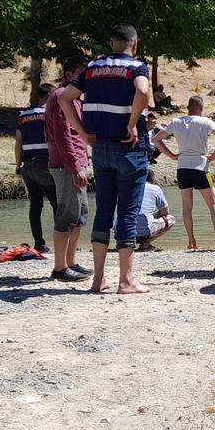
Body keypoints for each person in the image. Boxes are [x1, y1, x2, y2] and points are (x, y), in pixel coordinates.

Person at [59, 26, 151, 295]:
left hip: (100, 148)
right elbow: (143, 93)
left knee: (103, 212)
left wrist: (83, 132)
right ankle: (126, 280)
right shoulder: (136, 66)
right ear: (134, 44)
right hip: (129, 149)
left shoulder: (92, 67)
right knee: (127, 215)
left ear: (112, 43)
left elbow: (66, 98)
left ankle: (98, 280)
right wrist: (132, 123)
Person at [153, 95, 215, 250]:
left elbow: (156, 140)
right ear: (201, 109)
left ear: (188, 108)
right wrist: (212, 157)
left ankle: (191, 241)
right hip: (200, 167)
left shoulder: (176, 122)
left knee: (187, 207)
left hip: (183, 168)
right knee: (213, 204)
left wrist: (172, 155)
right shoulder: (205, 121)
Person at [45, 56, 92, 283]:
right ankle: (60, 267)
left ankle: (70, 262)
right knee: (66, 215)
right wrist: (74, 167)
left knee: (79, 215)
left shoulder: (76, 100)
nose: (86, 79)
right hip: (66, 166)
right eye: (81, 74)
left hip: (76, 163)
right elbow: (62, 135)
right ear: (68, 75)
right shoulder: (60, 97)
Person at [15, 84, 57, 253]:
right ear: (50, 96)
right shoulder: (51, 114)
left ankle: (39, 243)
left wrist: (18, 166)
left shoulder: (22, 116)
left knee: (35, 205)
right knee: (57, 205)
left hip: (28, 166)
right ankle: (61, 243)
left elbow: (18, 143)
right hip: (47, 164)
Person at [136, 170, 175, 249]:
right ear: (153, 179)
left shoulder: (128, 187)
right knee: (171, 219)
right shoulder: (155, 188)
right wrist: (155, 215)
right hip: (142, 230)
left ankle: (123, 244)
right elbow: (165, 212)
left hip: (121, 231)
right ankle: (145, 243)